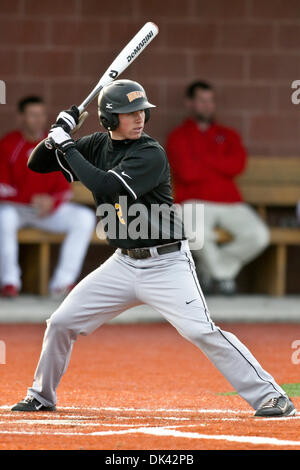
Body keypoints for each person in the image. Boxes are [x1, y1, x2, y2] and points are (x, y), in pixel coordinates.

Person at [11, 80, 295, 418]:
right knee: (60, 322)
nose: (139, 117)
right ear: (109, 120)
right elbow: (37, 163)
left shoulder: (150, 152)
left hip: (167, 263)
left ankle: (271, 396)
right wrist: (59, 132)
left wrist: (67, 146)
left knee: (201, 331)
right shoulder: (97, 144)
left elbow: (107, 186)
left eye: (141, 111)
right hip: (123, 264)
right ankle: (42, 395)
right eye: (129, 113)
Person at [166, 81, 270, 295]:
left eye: (210, 100)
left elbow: (238, 165)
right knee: (196, 235)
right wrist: (218, 161)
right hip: (192, 200)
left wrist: (201, 159)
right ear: (189, 103)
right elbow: (187, 172)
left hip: (230, 202)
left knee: (259, 236)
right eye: (202, 100)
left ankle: (213, 272)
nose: (207, 105)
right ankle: (224, 278)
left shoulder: (228, 134)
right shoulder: (178, 136)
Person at [0, 96, 95, 298]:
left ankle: (62, 284)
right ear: (21, 118)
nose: (38, 120)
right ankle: (10, 282)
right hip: (17, 209)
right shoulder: (9, 144)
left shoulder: (53, 144)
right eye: (32, 115)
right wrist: (31, 199)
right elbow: (2, 188)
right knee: (3, 217)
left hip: (49, 210)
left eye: (41, 115)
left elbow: (65, 188)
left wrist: (52, 202)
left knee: (84, 218)